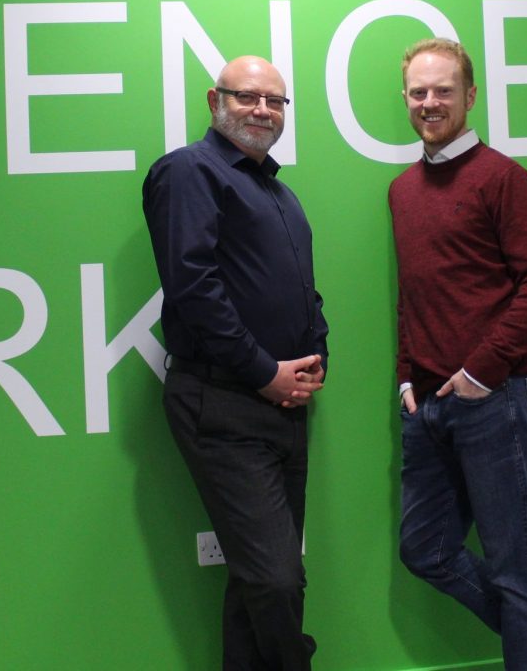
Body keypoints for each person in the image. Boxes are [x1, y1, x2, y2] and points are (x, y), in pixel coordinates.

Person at [388, 38, 527, 671]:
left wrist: (482, 370)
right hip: (426, 405)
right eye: (419, 92)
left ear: (471, 96)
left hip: (498, 397)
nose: (430, 102)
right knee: (424, 550)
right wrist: (405, 374)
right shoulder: (402, 191)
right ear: (405, 99)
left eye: (443, 90)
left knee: (517, 570)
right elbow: (414, 291)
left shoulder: (505, 179)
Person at [143, 55, 329, 671]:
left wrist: (315, 355)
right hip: (222, 402)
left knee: (259, 579)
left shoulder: (279, 191)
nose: (263, 111)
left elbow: (305, 289)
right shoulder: (188, 172)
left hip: (282, 407)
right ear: (213, 100)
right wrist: (264, 372)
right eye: (248, 97)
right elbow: (194, 290)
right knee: (276, 580)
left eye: (275, 101)